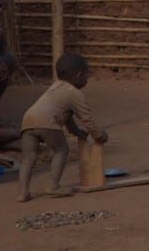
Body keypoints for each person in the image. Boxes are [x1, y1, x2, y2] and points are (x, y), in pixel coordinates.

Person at [18, 52, 107, 201]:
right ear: (79, 75)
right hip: (47, 122)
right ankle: (53, 186)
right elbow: (87, 119)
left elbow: (67, 117)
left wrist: (76, 132)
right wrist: (99, 135)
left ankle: (23, 192)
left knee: (28, 158)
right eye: (86, 76)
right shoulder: (74, 93)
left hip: (28, 120)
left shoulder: (55, 87)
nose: (86, 79)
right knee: (61, 150)